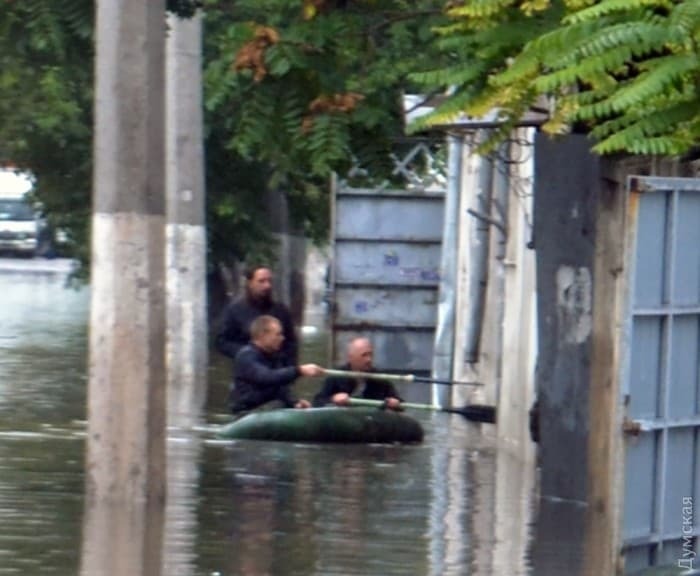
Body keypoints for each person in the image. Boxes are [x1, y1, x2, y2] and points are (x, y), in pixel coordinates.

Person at [228, 315, 324, 414]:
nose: (282, 338)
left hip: (268, 406)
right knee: (277, 401)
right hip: (246, 411)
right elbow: (266, 377)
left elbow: (280, 387)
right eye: (278, 334)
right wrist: (299, 370)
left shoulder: (275, 357)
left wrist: (294, 402)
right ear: (263, 335)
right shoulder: (247, 356)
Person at [216, 265, 298, 368]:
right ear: (250, 283)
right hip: (248, 371)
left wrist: (290, 368)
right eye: (261, 281)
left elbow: (291, 343)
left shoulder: (281, 311)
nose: (267, 286)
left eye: (269, 281)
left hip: (277, 371)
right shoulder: (235, 310)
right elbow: (222, 342)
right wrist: (247, 353)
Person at [313, 337, 402, 410]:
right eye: (364, 355)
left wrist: (395, 404)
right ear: (351, 357)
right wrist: (333, 399)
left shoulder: (380, 379)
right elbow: (318, 402)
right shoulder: (336, 377)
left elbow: (400, 404)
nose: (369, 359)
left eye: (370, 355)